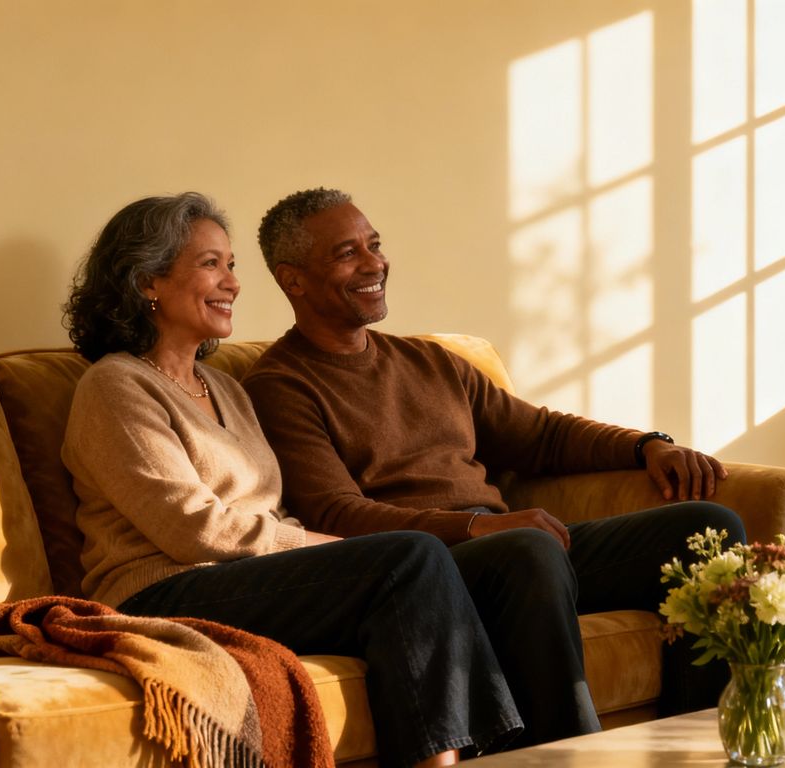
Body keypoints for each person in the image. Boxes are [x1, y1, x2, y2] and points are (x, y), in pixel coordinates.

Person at [240, 187, 747, 746]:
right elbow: (335, 513)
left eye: (374, 245)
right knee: (528, 547)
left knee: (706, 530)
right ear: (293, 280)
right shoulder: (280, 385)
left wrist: (647, 445)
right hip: (429, 572)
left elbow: (542, 434)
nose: (374, 263)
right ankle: (570, 756)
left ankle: (700, 745)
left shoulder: (429, 359)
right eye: (347, 253)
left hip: (517, 549)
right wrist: (480, 527)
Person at [61, 192, 522, 768]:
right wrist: (334, 546)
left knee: (435, 564)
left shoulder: (225, 386)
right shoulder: (114, 387)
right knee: (411, 558)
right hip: (161, 592)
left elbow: (269, 511)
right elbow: (192, 530)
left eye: (231, 265)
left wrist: (325, 550)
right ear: (148, 281)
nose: (232, 282)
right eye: (211, 264)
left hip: (248, 577)